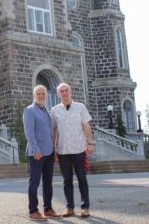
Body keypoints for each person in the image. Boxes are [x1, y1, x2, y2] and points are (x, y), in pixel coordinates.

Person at [50, 83, 94, 218]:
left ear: (70, 92)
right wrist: (54, 148)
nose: (64, 93)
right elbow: (54, 130)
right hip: (63, 151)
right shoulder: (55, 110)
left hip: (79, 149)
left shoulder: (80, 107)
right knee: (67, 181)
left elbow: (86, 125)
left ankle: (85, 207)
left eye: (66, 90)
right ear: (58, 94)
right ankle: (69, 207)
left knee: (82, 179)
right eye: (61, 91)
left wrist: (90, 143)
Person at [23, 85, 62, 221]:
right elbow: (29, 133)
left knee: (48, 182)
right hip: (36, 154)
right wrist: (36, 150)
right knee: (34, 183)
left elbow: (50, 133)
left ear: (46, 95)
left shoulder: (46, 111)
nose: (41, 95)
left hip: (49, 153)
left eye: (43, 93)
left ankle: (48, 208)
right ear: (34, 96)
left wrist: (54, 150)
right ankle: (33, 211)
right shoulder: (29, 110)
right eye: (38, 93)